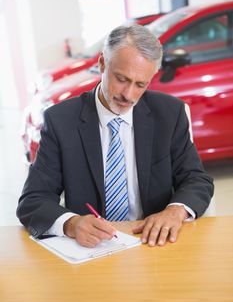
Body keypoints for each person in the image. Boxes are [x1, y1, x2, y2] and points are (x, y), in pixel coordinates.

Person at [17, 24, 214, 248]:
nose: (128, 95)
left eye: (140, 84)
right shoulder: (61, 120)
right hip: (92, 248)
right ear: (102, 63)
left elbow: (197, 180)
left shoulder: (169, 114)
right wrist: (71, 224)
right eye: (121, 79)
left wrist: (175, 211)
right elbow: (33, 200)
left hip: (152, 243)